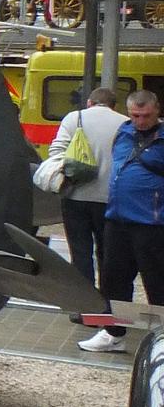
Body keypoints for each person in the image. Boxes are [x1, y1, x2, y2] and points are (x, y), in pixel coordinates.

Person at [82, 88, 164, 352]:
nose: (141, 121)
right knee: (113, 279)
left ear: (157, 111)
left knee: (157, 281)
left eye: (146, 116)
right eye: (136, 115)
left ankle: (161, 336)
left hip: (152, 224)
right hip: (117, 219)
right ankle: (113, 332)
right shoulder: (124, 133)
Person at [53, 87, 125, 293]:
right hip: (109, 199)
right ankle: (106, 304)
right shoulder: (123, 123)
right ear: (114, 105)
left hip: (75, 195)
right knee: (107, 252)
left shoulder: (73, 118)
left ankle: (84, 305)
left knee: (80, 253)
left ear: (89, 103)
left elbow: (56, 151)